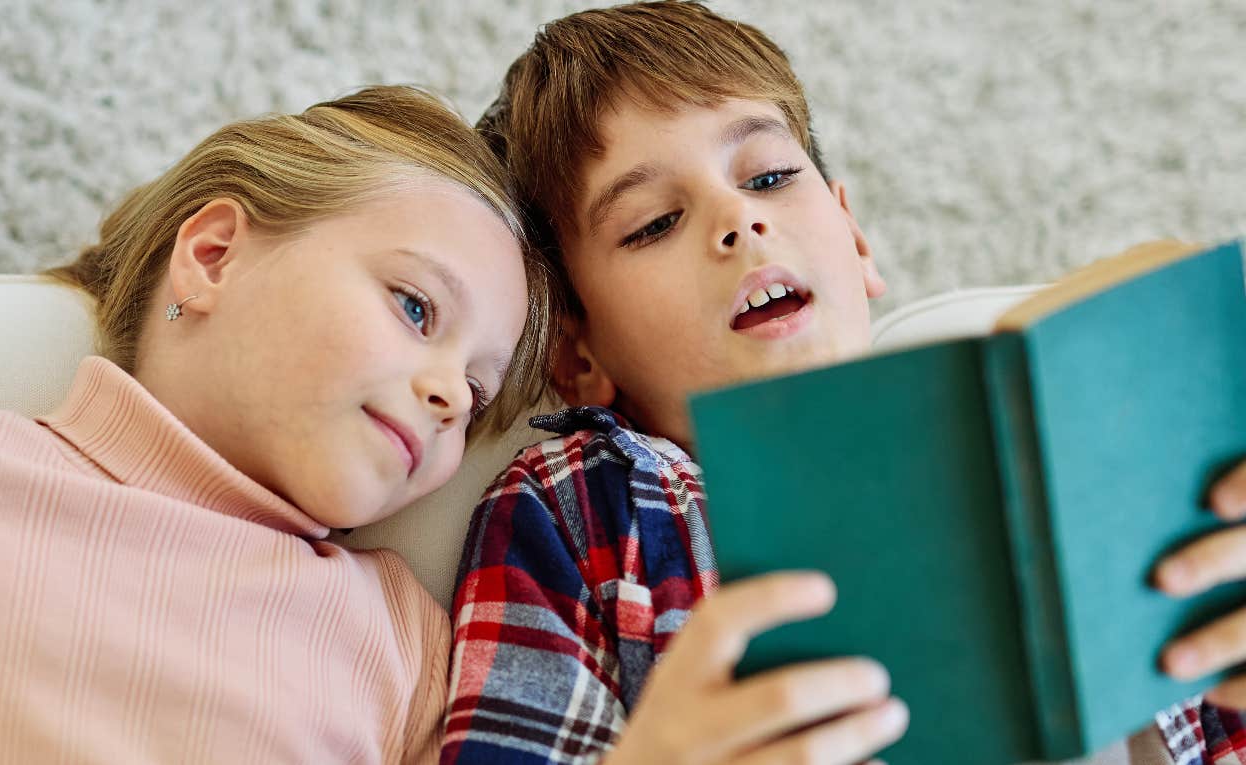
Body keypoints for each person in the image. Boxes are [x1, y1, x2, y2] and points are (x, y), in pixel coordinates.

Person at [442, 3, 1246, 764]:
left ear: (854, 235)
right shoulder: (572, 505)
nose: (741, 221)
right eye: (655, 222)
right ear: (577, 353)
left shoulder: (1057, 421)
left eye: (767, 178)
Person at [0, 84, 551, 764]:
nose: (450, 398)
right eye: (415, 308)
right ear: (213, 257)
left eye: (476, 392)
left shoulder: (405, 646)